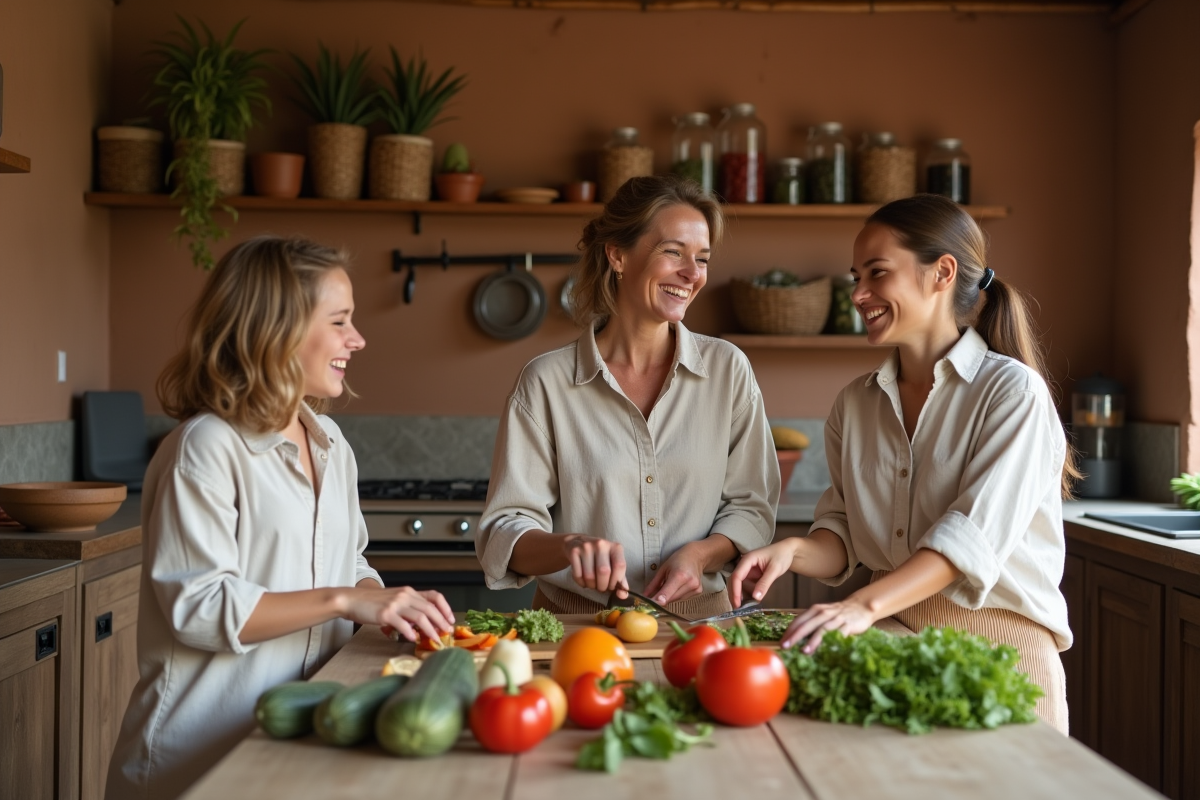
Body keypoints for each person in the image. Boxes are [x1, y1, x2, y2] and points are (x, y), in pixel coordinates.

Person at [107, 237, 454, 800]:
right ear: (279, 329)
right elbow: (201, 608)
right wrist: (347, 599)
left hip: (306, 744)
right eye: (339, 321)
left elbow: (350, 561)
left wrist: (388, 603)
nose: (357, 339)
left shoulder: (332, 443)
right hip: (199, 758)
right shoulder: (206, 447)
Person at [731, 194, 1078, 734]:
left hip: (1005, 656)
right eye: (856, 276)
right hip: (896, 645)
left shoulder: (1012, 393)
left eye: (877, 273)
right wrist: (791, 551)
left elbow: (968, 542)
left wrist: (862, 607)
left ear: (942, 273)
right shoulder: (855, 403)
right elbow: (842, 533)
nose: (858, 294)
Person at [476, 175, 779, 617]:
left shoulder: (728, 370)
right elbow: (505, 531)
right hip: (578, 626)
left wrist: (701, 555)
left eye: (702, 258)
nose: (692, 274)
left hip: (701, 624)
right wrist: (568, 546)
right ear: (618, 255)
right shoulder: (546, 382)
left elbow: (752, 506)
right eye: (672, 251)